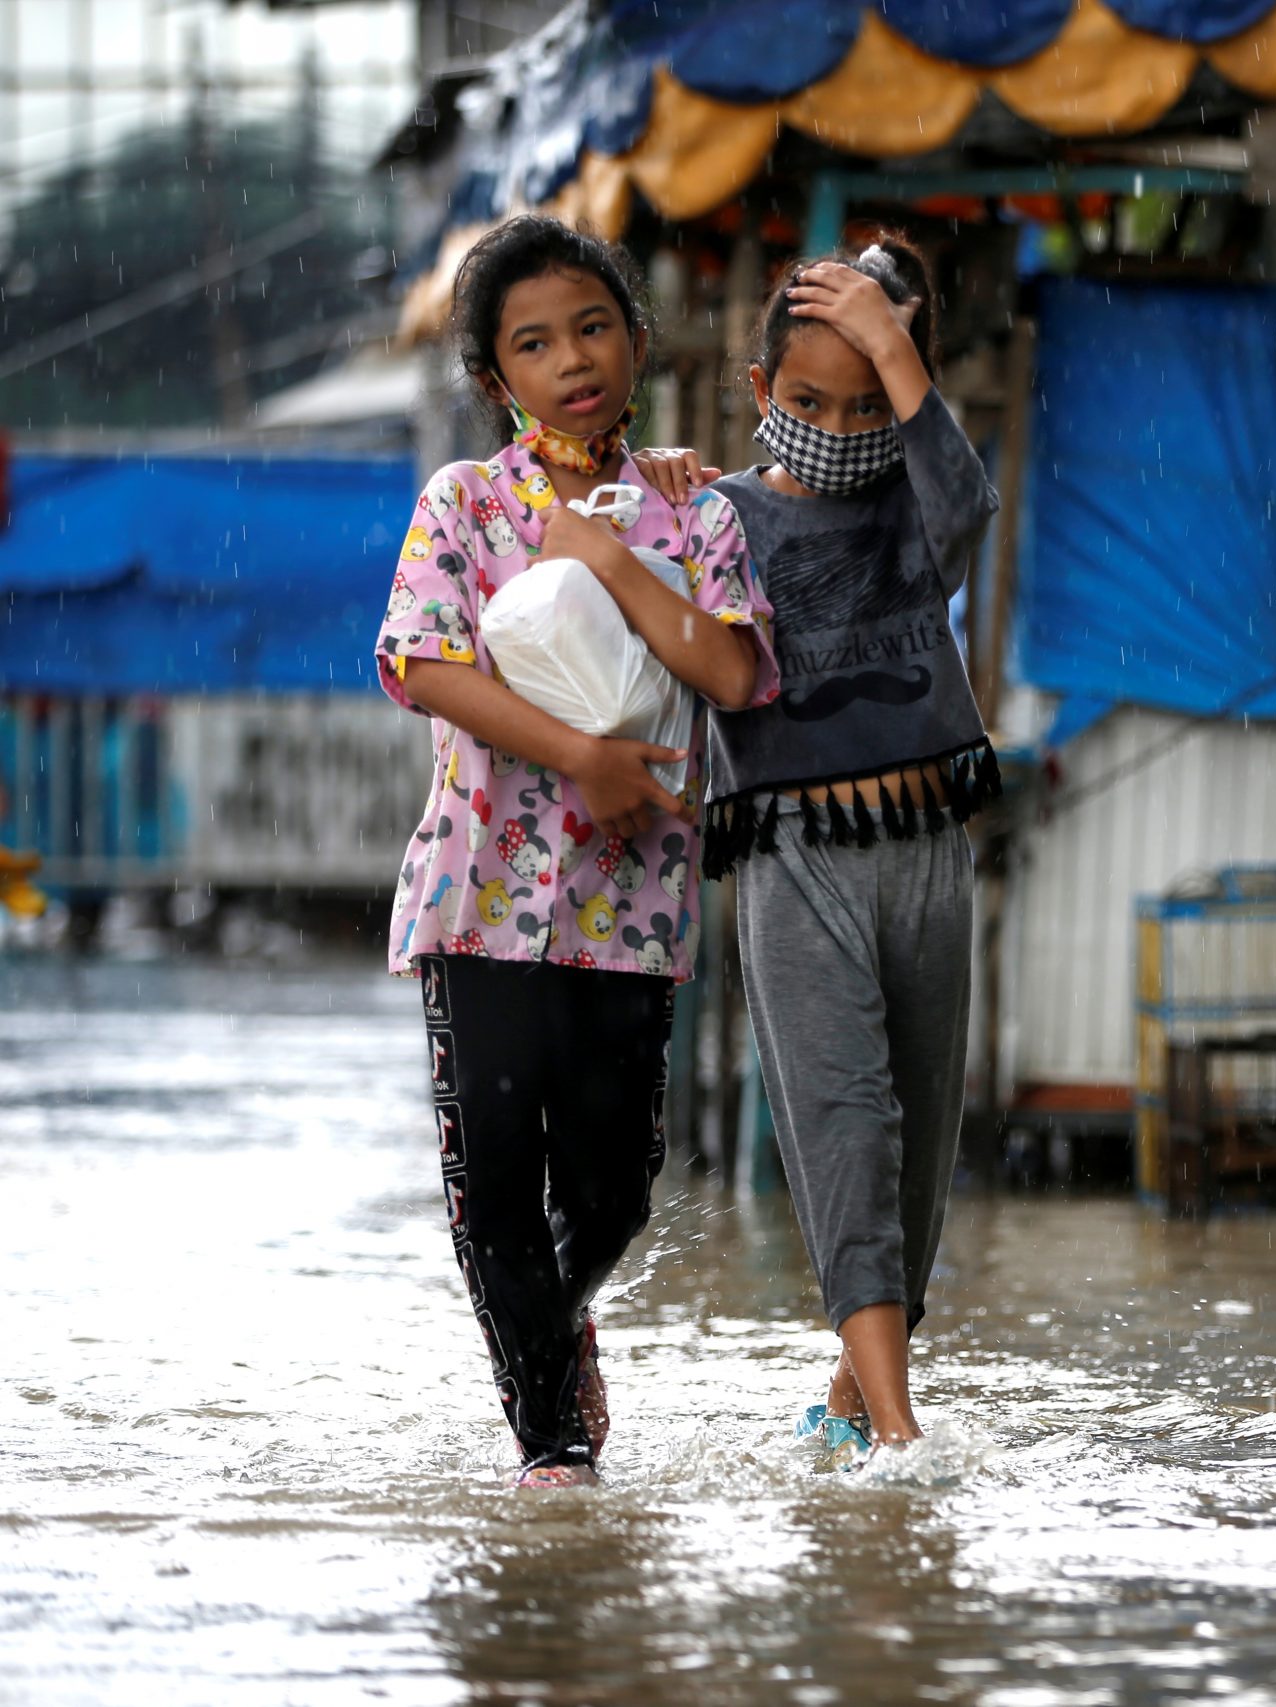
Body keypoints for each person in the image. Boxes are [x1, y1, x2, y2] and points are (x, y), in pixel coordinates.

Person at [374, 215, 780, 1489]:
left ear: (638, 339)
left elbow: (738, 669)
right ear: (498, 380)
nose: (572, 360)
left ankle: (558, 1319)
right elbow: (419, 662)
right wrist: (579, 757)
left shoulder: (692, 513)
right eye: (535, 344)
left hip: (633, 903)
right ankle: (552, 1449)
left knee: (612, 1193)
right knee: (490, 1179)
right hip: (477, 893)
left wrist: (616, 549)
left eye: (593, 327)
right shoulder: (467, 502)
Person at [636, 230, 1000, 1472]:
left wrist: (899, 346)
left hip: (929, 850)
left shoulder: (915, 506)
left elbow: (971, 506)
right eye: (803, 400)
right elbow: (609, 569)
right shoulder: (716, 520)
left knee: (922, 1153)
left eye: (866, 399)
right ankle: (900, 1434)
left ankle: (849, 1402)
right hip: (795, 858)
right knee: (844, 1125)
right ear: (757, 396)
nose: (834, 425)